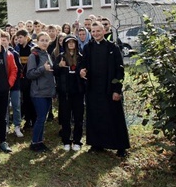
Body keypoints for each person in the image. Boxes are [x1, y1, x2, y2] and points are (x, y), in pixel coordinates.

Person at [79, 22, 130, 157]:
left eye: (98, 31)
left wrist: (117, 90)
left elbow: (120, 70)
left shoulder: (112, 47)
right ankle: (97, 144)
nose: (96, 34)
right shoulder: (88, 48)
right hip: (93, 89)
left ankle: (120, 147)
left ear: (104, 31)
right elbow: (82, 65)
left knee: (114, 117)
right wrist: (81, 71)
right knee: (95, 116)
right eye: (93, 31)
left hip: (109, 88)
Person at [54, 36, 85, 151]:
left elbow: (86, 73)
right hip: (65, 93)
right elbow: (54, 72)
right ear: (65, 45)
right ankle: (66, 140)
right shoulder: (60, 57)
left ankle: (77, 141)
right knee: (65, 118)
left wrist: (82, 73)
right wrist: (59, 66)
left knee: (78, 118)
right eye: (69, 43)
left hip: (78, 92)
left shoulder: (81, 58)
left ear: (76, 44)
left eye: (73, 42)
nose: (71, 44)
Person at [26, 32, 56, 152]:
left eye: (46, 40)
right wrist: (43, 68)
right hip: (38, 93)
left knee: (42, 119)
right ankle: (34, 142)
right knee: (41, 118)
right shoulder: (34, 56)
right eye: (42, 40)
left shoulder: (48, 54)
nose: (44, 42)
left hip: (48, 92)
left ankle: (40, 141)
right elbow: (30, 74)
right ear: (37, 42)